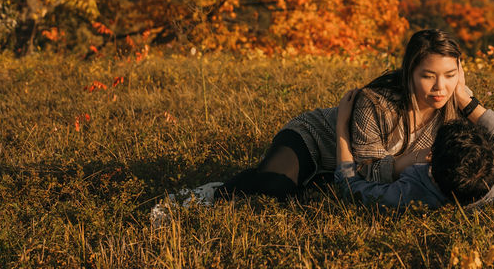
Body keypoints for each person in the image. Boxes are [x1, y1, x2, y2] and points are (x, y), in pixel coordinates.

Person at [188, 29, 470, 204]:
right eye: (428, 76)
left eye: (449, 75)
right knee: (274, 189)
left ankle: (314, 182)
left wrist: (470, 102)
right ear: (409, 73)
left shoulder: (453, 109)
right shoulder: (376, 104)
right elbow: (365, 172)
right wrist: (409, 161)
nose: (439, 87)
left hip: (338, 167)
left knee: (306, 200)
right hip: (314, 140)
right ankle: (209, 193)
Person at [333, 63, 494, 210]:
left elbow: (350, 187)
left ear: (429, 165)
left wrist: (342, 124)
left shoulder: (414, 192)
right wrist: (464, 98)